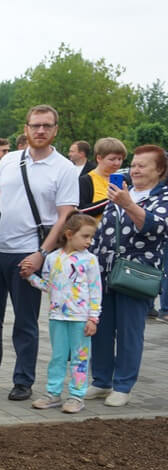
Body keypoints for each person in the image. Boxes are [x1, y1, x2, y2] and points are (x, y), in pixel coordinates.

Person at [0, 105, 78, 402]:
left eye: (47, 126)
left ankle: (23, 380)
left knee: (25, 322)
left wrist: (42, 253)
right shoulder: (10, 161)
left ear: (56, 130)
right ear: (25, 128)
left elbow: (65, 217)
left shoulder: (64, 168)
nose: (41, 131)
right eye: (35, 125)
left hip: (28, 253)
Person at [88, 145, 168, 407]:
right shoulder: (122, 192)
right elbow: (103, 232)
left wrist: (128, 204)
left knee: (129, 331)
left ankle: (123, 385)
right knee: (100, 329)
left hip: (137, 275)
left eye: (142, 165)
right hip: (105, 272)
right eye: (134, 164)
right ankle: (101, 381)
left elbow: (154, 227)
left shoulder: (162, 197)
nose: (135, 169)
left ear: (160, 170)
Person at [27, 213, 101, 414]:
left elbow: (96, 291)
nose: (89, 241)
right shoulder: (52, 258)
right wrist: (30, 277)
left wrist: (93, 318)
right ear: (69, 234)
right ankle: (53, 393)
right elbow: (49, 286)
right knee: (58, 357)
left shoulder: (90, 261)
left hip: (81, 319)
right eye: (85, 236)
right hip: (57, 317)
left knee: (80, 357)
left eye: (91, 237)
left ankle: (77, 396)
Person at [77, 137, 127, 221]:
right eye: (112, 159)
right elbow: (81, 210)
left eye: (120, 159)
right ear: (99, 158)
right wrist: (111, 201)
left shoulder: (124, 180)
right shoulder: (85, 181)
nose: (117, 163)